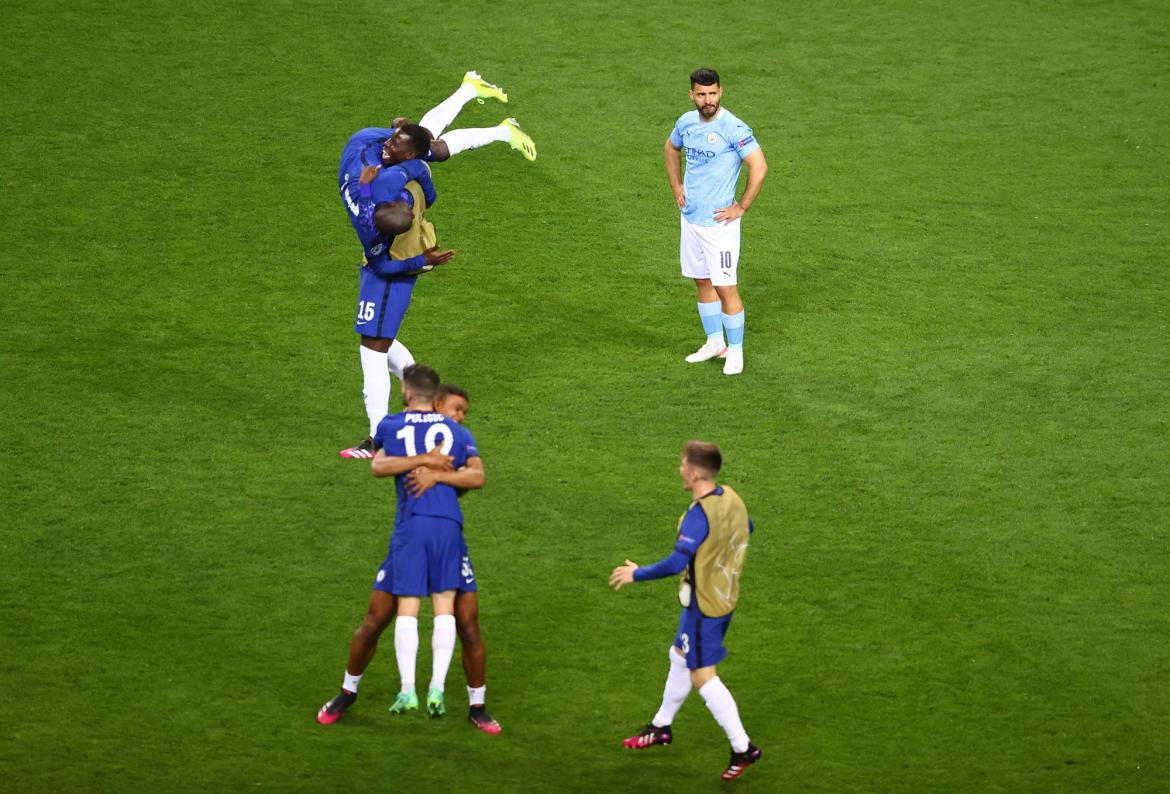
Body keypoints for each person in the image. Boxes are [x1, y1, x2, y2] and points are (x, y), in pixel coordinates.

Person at [317, 378, 500, 733]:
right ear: (434, 405)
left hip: (447, 539)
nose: (460, 417)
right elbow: (380, 464)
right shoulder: (414, 437)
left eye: (463, 412)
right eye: (455, 410)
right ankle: (347, 693)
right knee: (374, 620)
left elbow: (477, 475)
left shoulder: (456, 441)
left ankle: (478, 706)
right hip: (409, 537)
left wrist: (438, 476)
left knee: (469, 623)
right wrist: (428, 464)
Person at [609, 441, 761, 781]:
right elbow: (747, 528)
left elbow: (677, 561)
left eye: (681, 465)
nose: (679, 469)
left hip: (704, 605)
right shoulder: (732, 497)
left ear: (692, 473)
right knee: (679, 654)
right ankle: (662, 725)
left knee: (702, 675)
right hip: (725, 596)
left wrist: (637, 573)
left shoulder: (697, 517)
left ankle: (742, 747)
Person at [337, 123, 456, 459]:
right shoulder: (412, 182)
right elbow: (424, 185)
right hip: (397, 265)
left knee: (372, 352)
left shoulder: (378, 227)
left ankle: (379, 439)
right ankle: (425, 398)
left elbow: (382, 264)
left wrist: (420, 258)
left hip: (391, 275)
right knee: (377, 342)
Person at [664, 68, 768, 376]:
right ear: (692, 95)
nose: (707, 100)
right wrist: (677, 186)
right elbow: (671, 148)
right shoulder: (685, 122)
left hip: (719, 227)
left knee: (725, 286)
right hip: (691, 220)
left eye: (712, 94)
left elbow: (759, 166)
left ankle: (735, 352)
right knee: (702, 281)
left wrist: (741, 207)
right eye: (701, 94)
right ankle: (714, 343)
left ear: (721, 92)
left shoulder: (733, 128)